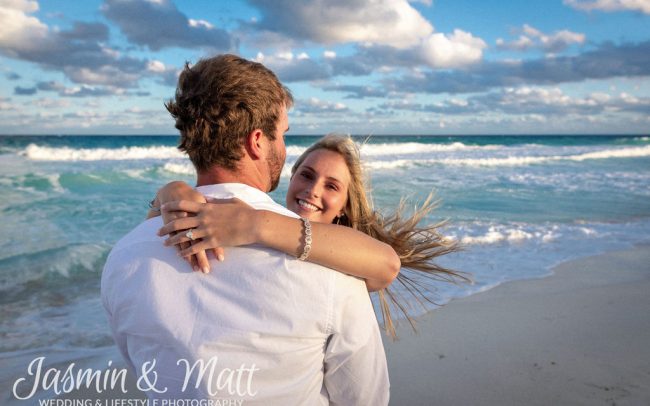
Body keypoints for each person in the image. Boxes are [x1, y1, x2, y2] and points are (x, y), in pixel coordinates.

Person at [101, 54, 389, 405]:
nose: (283, 148)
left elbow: (143, 369)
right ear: (257, 141)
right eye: (282, 134)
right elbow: (364, 398)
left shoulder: (124, 259)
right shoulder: (331, 268)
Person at [153, 134, 467, 338]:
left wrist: (256, 223)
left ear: (344, 206)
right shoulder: (243, 216)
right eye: (306, 175)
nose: (312, 190)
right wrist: (170, 192)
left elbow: (387, 264)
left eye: (332, 186)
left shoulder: (345, 260)